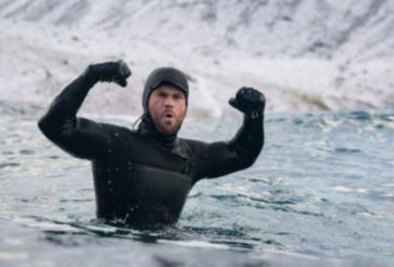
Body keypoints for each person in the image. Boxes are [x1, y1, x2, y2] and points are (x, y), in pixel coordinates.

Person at [38, 60, 265, 227]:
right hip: (113, 251)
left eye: (177, 97)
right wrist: (90, 76)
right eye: (161, 95)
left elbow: (242, 153)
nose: (169, 103)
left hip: (170, 252)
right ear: (147, 101)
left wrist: (254, 117)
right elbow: (55, 125)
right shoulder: (114, 142)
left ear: (185, 107)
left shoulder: (193, 157)